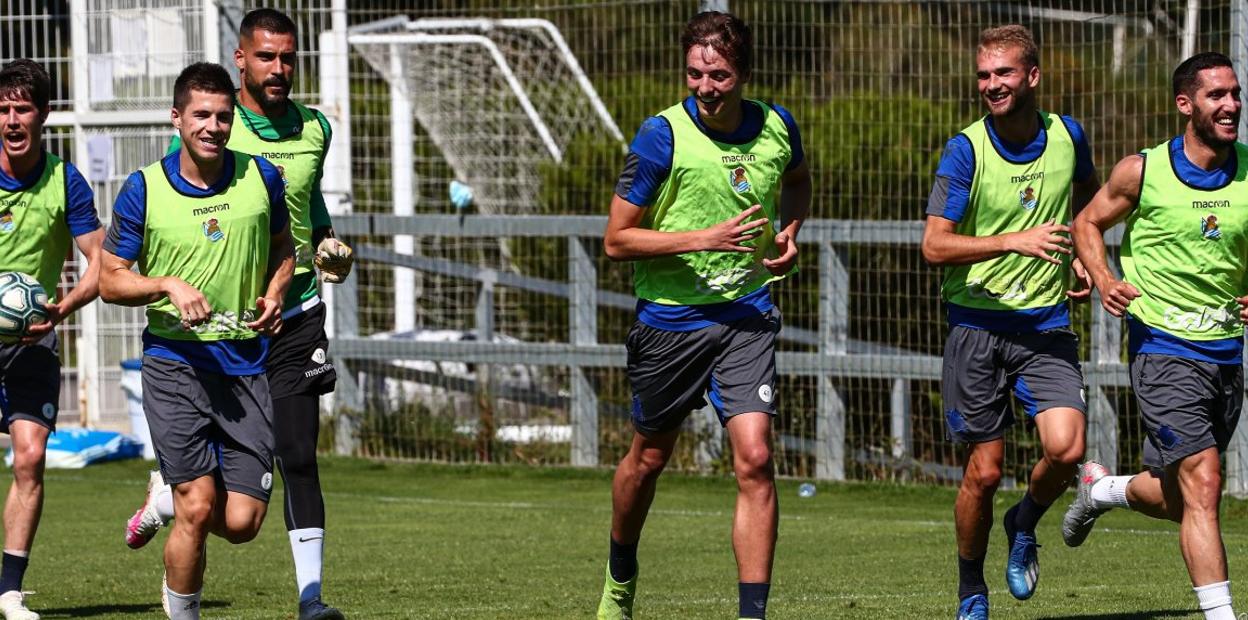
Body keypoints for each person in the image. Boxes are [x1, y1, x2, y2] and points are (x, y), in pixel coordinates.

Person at [121, 9, 352, 619]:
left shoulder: (315, 129)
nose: (279, 69)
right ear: (240, 59)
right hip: (214, 334)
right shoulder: (209, 133)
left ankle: (311, 599)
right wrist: (170, 286)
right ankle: (176, 503)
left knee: (294, 457)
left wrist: (324, 243)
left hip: (293, 311)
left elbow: (305, 205)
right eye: (266, 56)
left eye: (288, 57)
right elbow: (180, 211)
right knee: (210, 506)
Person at [595, 11, 810, 620]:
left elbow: (797, 179)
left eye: (718, 75)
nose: (705, 87)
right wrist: (702, 238)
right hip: (671, 323)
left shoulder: (777, 126)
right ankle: (620, 576)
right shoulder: (660, 137)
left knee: (756, 458)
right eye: (694, 74)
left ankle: (752, 615)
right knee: (648, 460)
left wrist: (790, 230)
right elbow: (616, 240)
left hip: (746, 315)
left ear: (744, 73)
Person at [99, 61, 294, 620]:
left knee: (242, 523)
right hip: (174, 362)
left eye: (223, 117)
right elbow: (110, 280)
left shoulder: (262, 178)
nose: (213, 127)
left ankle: (163, 496)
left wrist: (275, 292)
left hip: (246, 365)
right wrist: (166, 283)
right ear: (177, 118)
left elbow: (284, 248)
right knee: (199, 504)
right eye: (201, 115)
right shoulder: (144, 189)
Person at [920, 24, 1099, 619]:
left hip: (1044, 325)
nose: (991, 84)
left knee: (1067, 450)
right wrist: (1011, 241)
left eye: (1003, 73)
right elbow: (935, 246)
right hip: (976, 327)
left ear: (1033, 76)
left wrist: (1084, 255)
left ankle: (1023, 522)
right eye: (983, 75)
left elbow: (1090, 202)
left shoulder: (1069, 135)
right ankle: (971, 589)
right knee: (985, 471)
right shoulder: (965, 150)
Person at [1065, 51, 1245, 620]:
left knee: (1183, 495)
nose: (1231, 105)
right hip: (1162, 348)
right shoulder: (1141, 172)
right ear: (1185, 104)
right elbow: (1086, 222)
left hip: (1226, 352)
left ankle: (1104, 490)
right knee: (1204, 482)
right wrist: (1103, 278)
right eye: (1217, 95)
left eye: (1236, 93)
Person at [0, 59, 103, 620]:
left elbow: (101, 262)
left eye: (23, 109)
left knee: (31, 457)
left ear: (43, 114)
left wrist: (63, 307)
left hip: (32, 339)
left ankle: (9, 592)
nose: (12, 120)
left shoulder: (66, 182)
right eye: (3, 110)